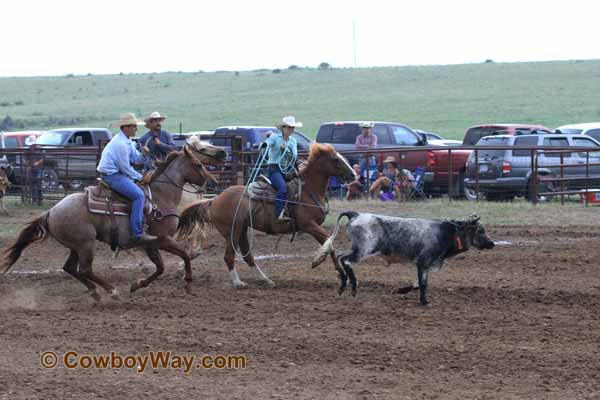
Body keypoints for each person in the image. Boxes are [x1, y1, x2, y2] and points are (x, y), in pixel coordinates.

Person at [97, 113, 156, 244]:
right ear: (126, 127)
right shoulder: (120, 144)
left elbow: (136, 158)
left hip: (117, 174)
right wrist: (141, 177)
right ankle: (137, 233)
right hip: (112, 176)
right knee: (139, 196)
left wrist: (144, 154)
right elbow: (125, 168)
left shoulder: (127, 141)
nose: (136, 129)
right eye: (134, 126)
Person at [260, 116, 300, 221]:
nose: (291, 130)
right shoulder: (274, 138)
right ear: (283, 128)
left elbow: (294, 156)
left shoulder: (293, 141)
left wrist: (285, 150)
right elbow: (266, 144)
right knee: (282, 188)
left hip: (287, 170)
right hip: (274, 169)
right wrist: (264, 145)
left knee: (297, 188)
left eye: (292, 127)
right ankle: (279, 214)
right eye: (289, 127)